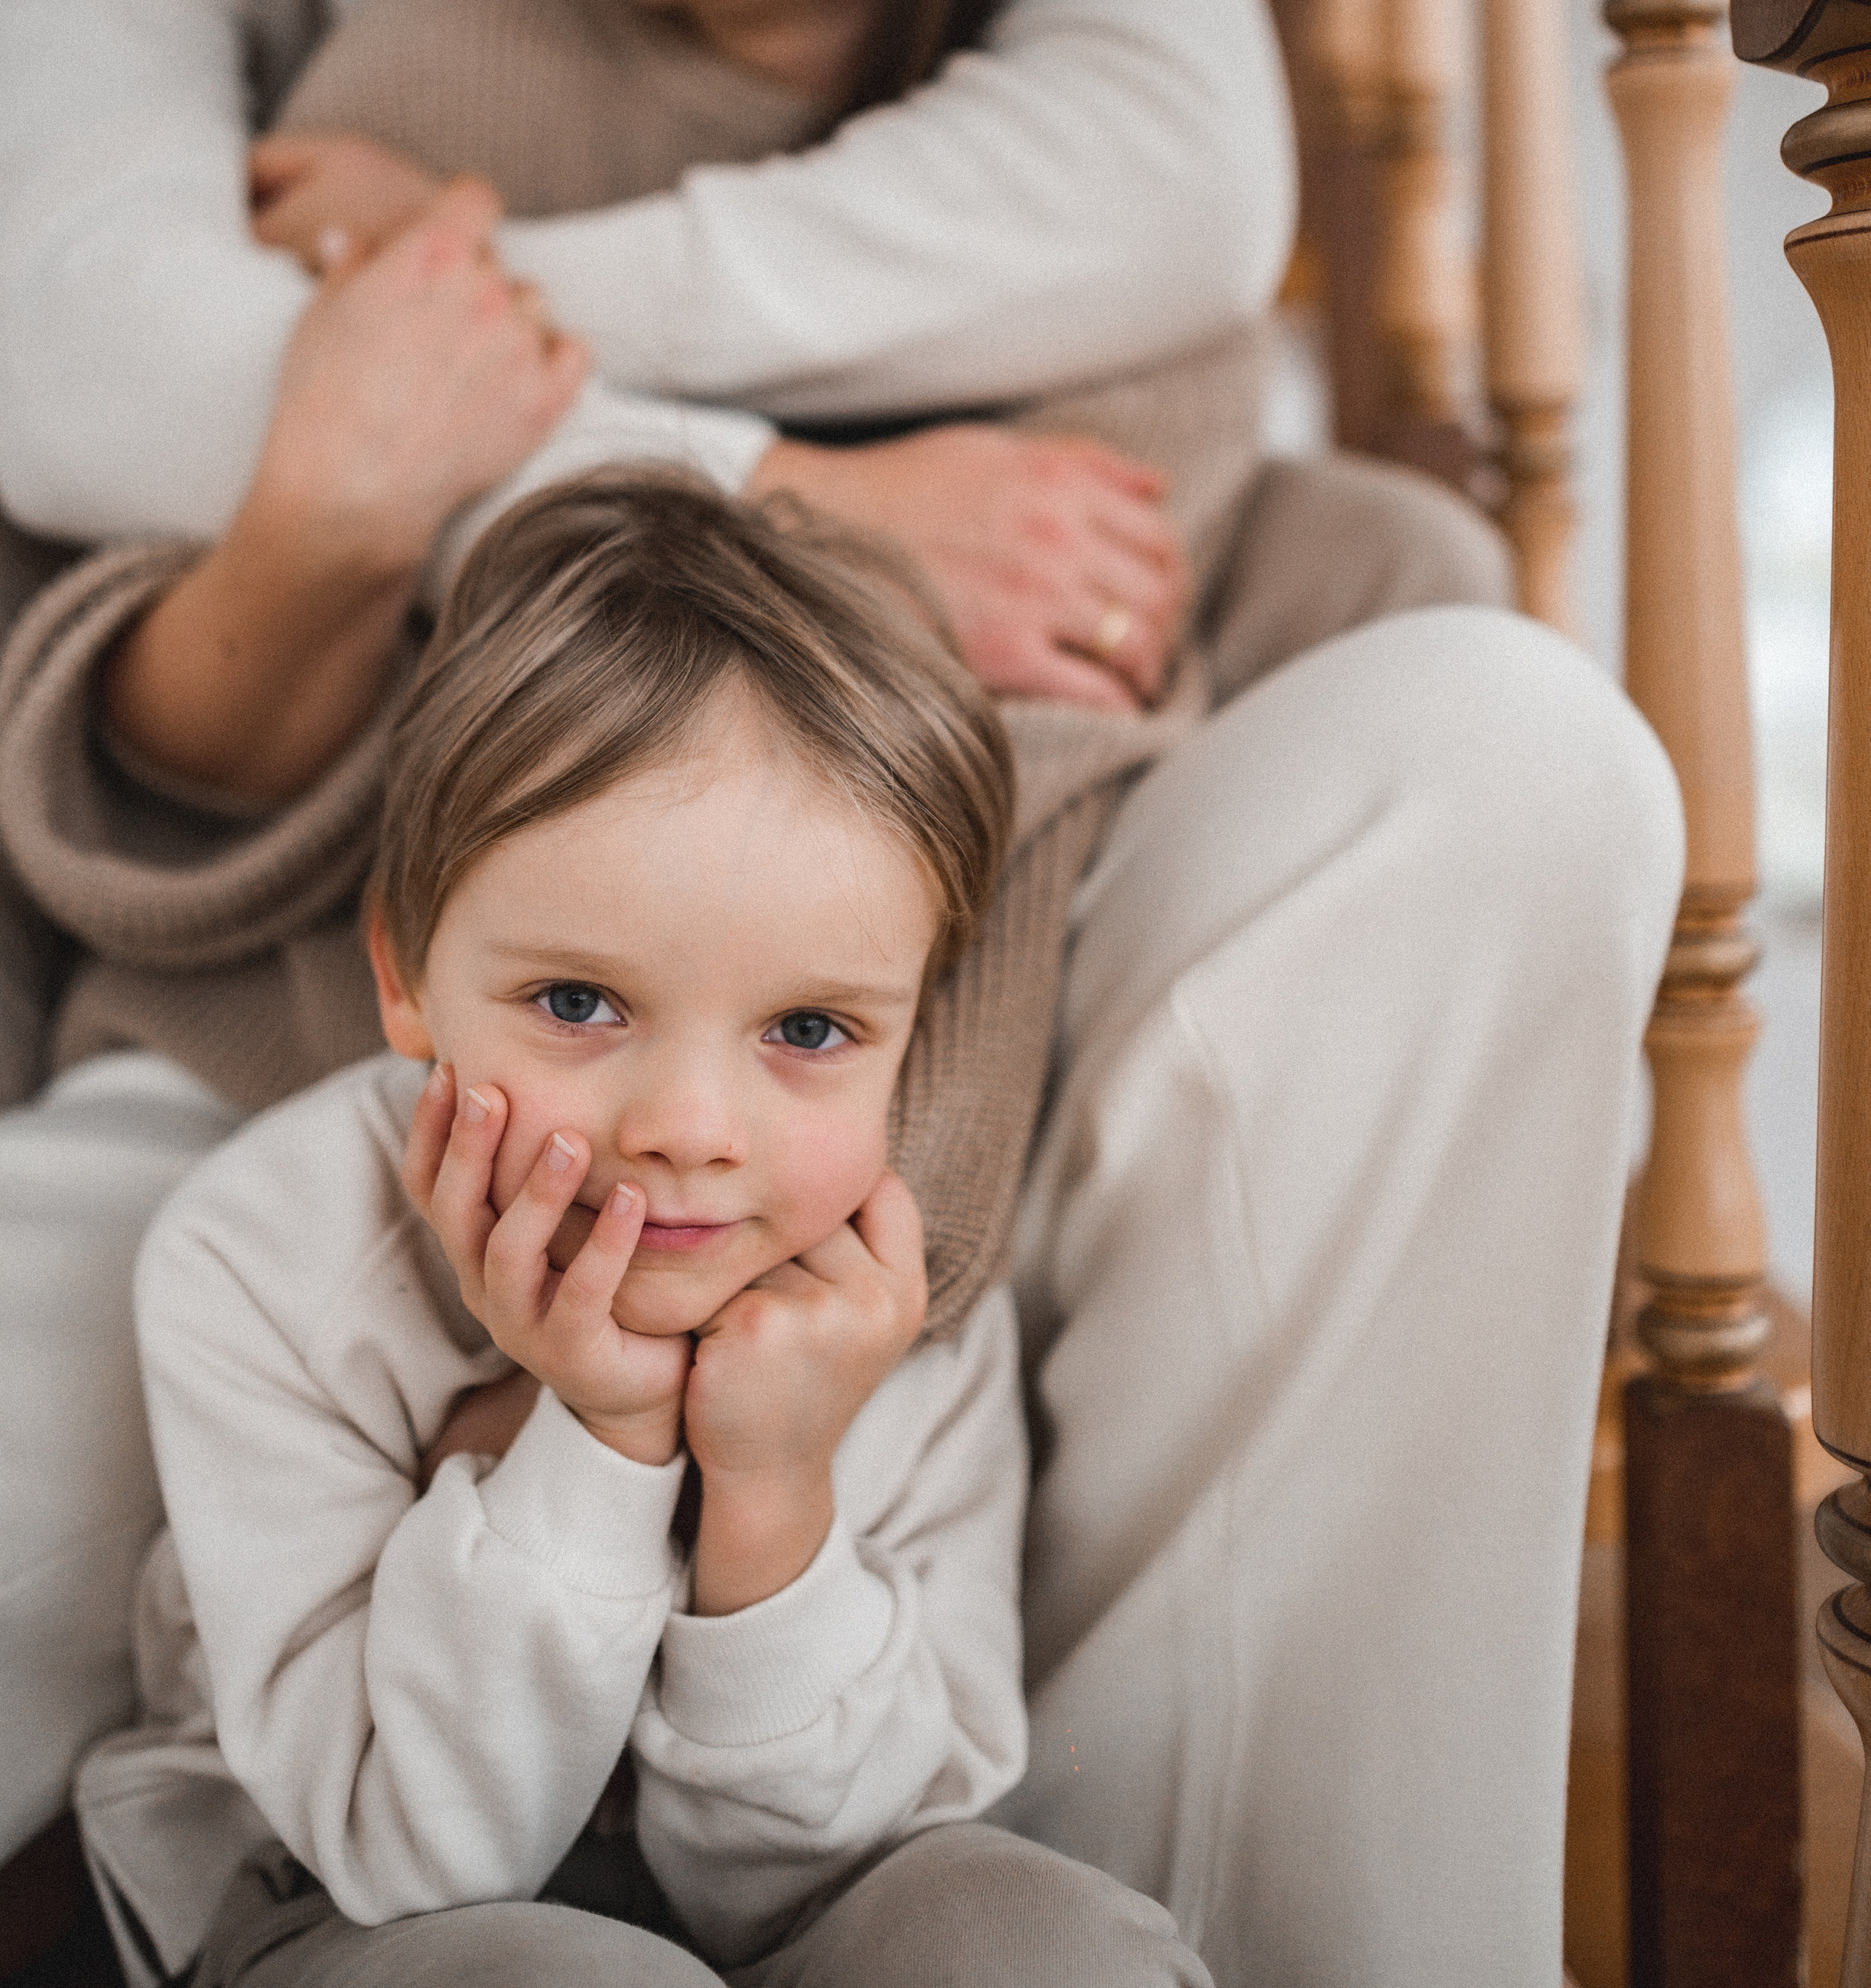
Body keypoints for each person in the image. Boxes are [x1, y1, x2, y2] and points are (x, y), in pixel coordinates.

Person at [0, 0, 1677, 1988]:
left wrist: (472, 284)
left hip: (913, 941)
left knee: (1515, 741)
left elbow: (1177, 200)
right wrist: (785, 476)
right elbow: (95, 377)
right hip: (355, 1001)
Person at [78, 471, 1210, 1988]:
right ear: (404, 972)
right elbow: (422, 1860)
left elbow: (848, 1871)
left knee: (1052, 1945)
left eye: (807, 1026)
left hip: (806, 1901)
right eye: (576, 1003)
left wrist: (776, 1496)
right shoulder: (262, 1261)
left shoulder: (896, 1301)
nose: (689, 1125)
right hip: (344, 1923)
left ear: (911, 1030)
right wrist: (597, 1430)